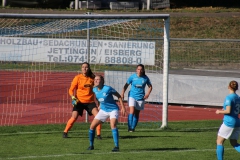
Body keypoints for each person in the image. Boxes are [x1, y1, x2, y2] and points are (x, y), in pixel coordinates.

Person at [63, 62, 102, 139]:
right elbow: (71, 90)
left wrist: (100, 102)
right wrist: (73, 97)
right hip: (79, 102)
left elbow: (98, 90)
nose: (84, 68)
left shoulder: (92, 78)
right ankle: (65, 132)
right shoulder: (77, 78)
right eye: (83, 67)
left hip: (90, 102)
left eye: (86, 67)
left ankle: (98, 135)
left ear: (89, 68)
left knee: (98, 116)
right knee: (74, 117)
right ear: (81, 68)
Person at [87, 75, 126, 152]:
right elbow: (99, 99)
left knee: (113, 125)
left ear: (102, 81)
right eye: (95, 79)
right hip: (103, 110)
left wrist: (123, 107)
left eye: (98, 79)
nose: (96, 81)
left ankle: (116, 146)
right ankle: (91, 145)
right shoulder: (94, 89)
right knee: (92, 126)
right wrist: (99, 106)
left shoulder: (108, 88)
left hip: (113, 110)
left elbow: (119, 96)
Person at [121, 64, 152, 132]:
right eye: (138, 69)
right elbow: (126, 85)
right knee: (131, 111)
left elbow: (150, 86)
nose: (139, 71)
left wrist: (147, 94)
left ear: (143, 70)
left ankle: (133, 127)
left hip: (140, 97)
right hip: (132, 96)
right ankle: (129, 127)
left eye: (141, 69)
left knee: (137, 113)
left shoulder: (145, 78)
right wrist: (122, 93)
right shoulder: (132, 77)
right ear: (136, 70)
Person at [215, 80, 240, 160]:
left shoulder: (229, 97)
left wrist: (219, 111)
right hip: (237, 122)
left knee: (219, 141)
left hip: (229, 122)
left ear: (229, 87)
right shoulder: (238, 97)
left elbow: (228, 111)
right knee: (234, 143)